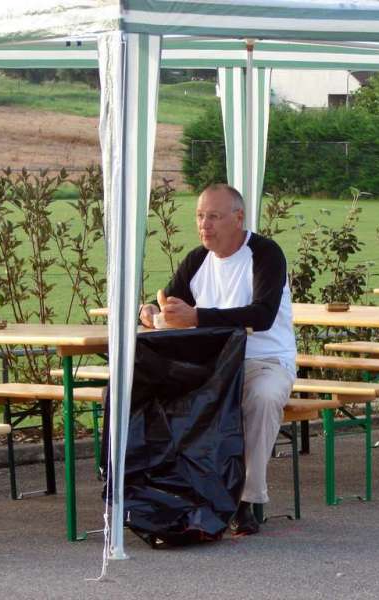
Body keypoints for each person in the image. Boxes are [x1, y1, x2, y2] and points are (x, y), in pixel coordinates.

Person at [139, 183, 296, 537]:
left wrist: (197, 318)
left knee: (263, 398)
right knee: (155, 392)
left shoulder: (266, 254)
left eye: (213, 216)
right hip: (213, 364)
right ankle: (168, 493)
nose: (204, 225)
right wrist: (150, 311)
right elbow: (169, 301)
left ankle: (245, 500)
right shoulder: (197, 260)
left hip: (264, 360)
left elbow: (262, 315)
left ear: (238, 218)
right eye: (199, 216)